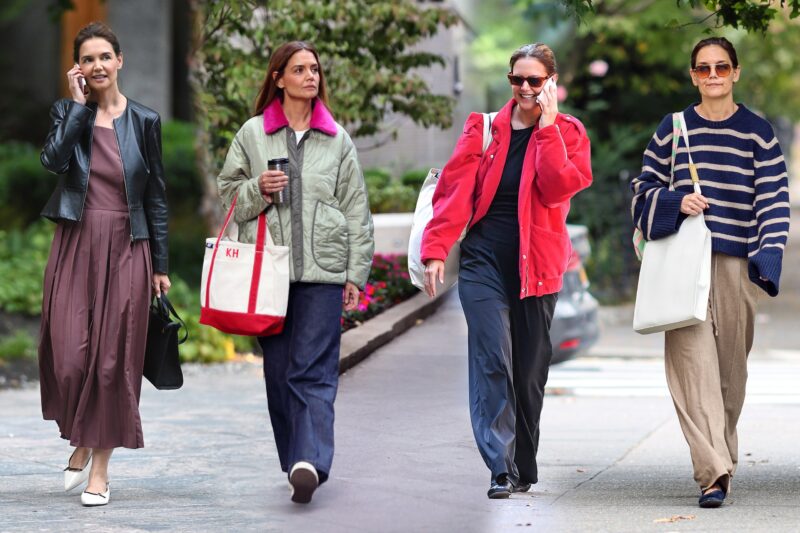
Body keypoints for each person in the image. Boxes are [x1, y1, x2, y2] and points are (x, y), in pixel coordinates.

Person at [421, 43, 592, 498]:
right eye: (517, 79)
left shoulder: (570, 133)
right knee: (492, 357)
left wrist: (549, 129)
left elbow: (558, 189)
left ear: (551, 83)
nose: (525, 89)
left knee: (530, 371)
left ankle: (522, 465)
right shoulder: (483, 130)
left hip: (537, 266)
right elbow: (453, 194)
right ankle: (499, 467)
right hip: (483, 263)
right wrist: (436, 249)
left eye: (535, 80)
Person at [631, 37, 790, 509]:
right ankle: (712, 474)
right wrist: (675, 202)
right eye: (703, 68)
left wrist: (767, 256)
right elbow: (643, 187)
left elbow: (774, 200)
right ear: (693, 76)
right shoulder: (672, 128)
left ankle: (722, 456)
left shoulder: (758, 132)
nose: (713, 75)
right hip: (683, 263)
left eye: (721, 66)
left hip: (736, 264)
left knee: (729, 375)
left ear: (736, 72)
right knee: (691, 367)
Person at [216, 41, 374, 504]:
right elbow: (229, 195)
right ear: (279, 77)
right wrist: (257, 188)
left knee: (315, 372)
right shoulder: (252, 134)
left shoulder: (337, 139)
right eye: (300, 69)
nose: (311, 76)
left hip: (323, 275)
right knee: (279, 374)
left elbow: (356, 210)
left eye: (315, 69)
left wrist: (354, 274)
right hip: (268, 273)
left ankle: (311, 460)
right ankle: (295, 462)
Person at [38, 21, 170, 507]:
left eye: (104, 57)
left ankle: (99, 469)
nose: (96, 66)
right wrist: (75, 107)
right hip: (76, 239)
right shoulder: (66, 113)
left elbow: (155, 196)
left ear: (120, 61)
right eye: (87, 59)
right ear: (79, 67)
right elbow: (52, 162)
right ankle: (81, 437)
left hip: (128, 245)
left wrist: (159, 263)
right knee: (70, 358)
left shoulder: (145, 121)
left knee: (113, 363)